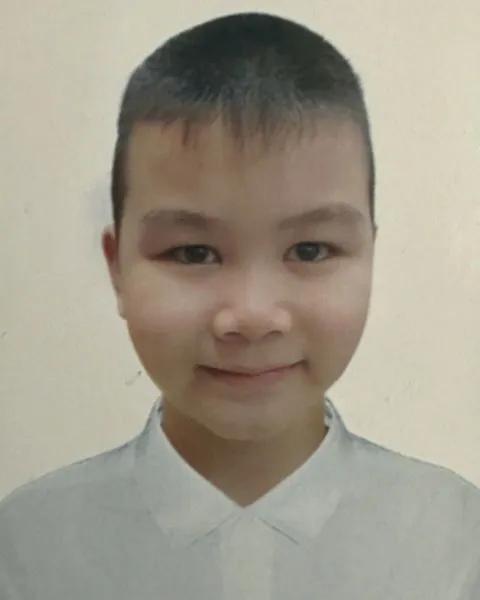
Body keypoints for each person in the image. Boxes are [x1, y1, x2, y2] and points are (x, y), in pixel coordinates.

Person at [1, 11, 479, 599]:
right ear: (116, 266)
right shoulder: (27, 547)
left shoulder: (456, 539)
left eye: (310, 250)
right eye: (194, 253)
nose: (252, 316)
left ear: (371, 256)